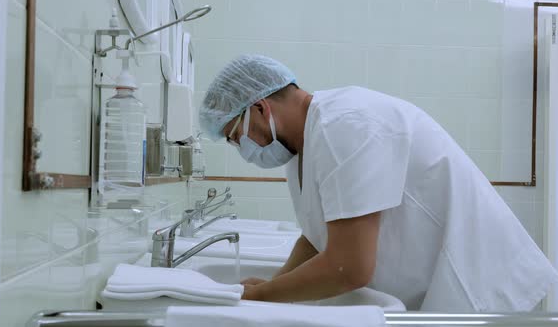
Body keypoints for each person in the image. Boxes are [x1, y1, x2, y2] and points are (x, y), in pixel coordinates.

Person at [199, 54, 558, 312]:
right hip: (438, 290)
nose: (243, 149)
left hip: (480, 286)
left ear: (260, 108)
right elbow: (317, 237)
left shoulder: (347, 125)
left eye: (237, 136)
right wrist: (274, 284)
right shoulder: (306, 145)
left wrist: (262, 297)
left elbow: (348, 267)